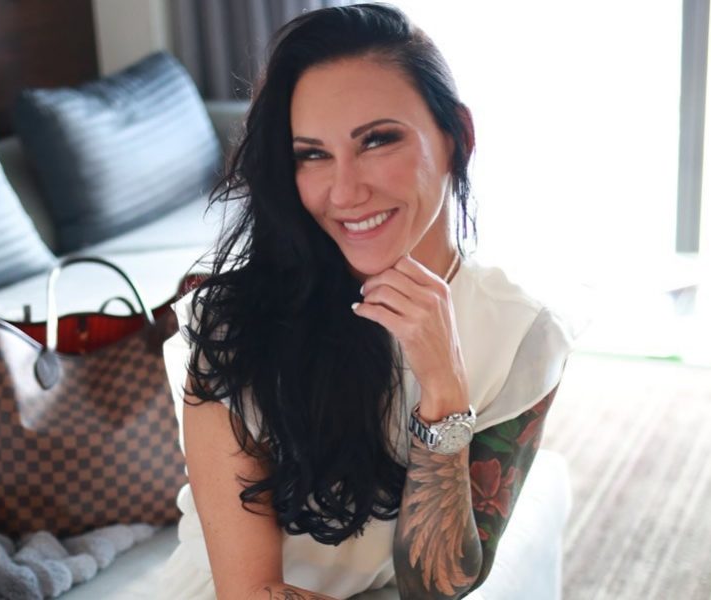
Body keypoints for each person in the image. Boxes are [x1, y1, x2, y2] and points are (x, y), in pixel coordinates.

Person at [158, 4, 572, 599]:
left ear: (457, 137)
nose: (346, 192)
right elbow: (251, 593)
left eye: (377, 140)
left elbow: (437, 586)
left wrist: (444, 392)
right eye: (312, 154)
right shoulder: (233, 323)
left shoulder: (523, 334)